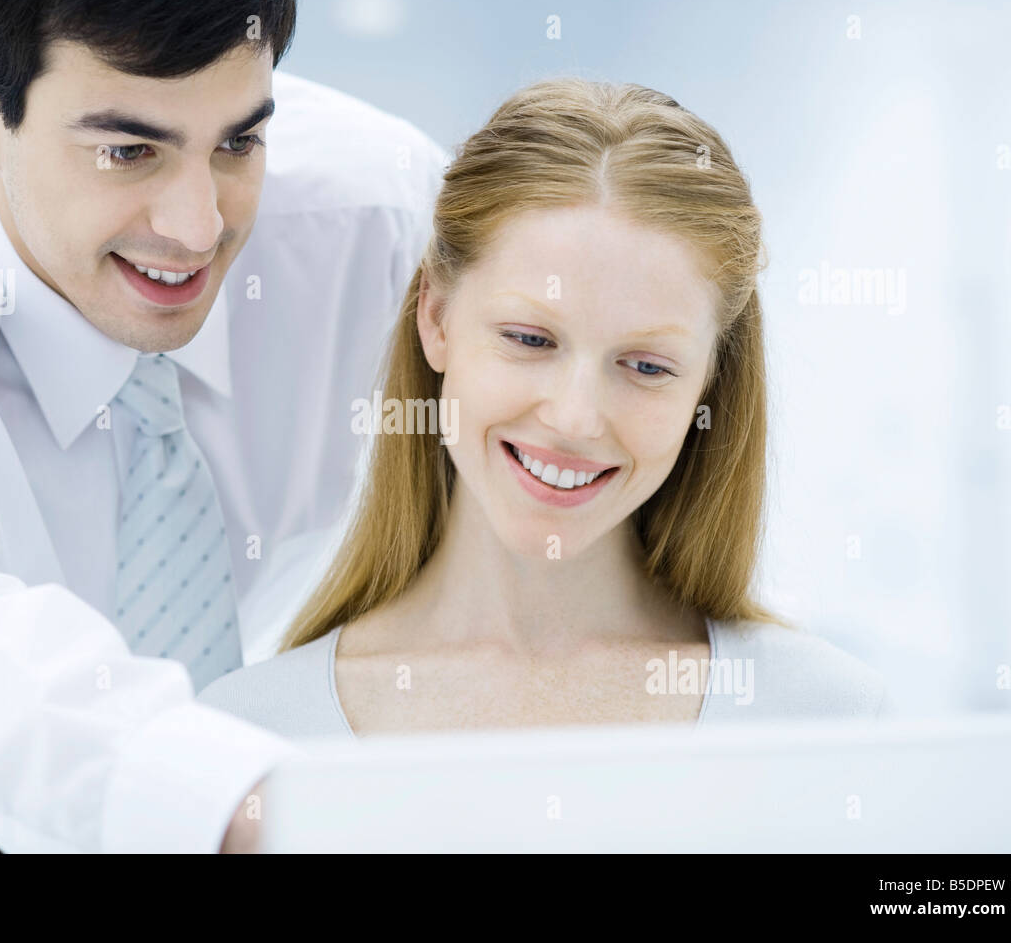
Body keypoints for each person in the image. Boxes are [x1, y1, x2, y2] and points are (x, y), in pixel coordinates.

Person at [0, 0, 446, 851]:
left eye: (239, 141)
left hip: (282, 740)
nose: (199, 228)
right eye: (128, 150)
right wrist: (244, 808)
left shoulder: (382, 220)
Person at [198, 78, 891, 738]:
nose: (574, 417)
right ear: (435, 317)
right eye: (530, 339)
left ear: (708, 384)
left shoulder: (827, 719)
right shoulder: (248, 735)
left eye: (647, 366)